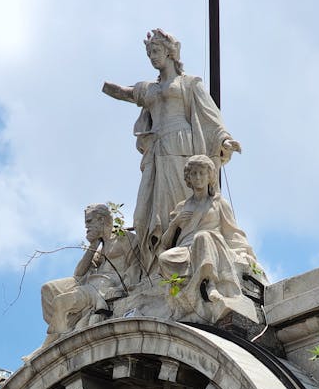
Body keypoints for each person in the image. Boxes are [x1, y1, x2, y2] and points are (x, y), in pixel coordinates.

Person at [103, 28, 241, 268]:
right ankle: (160, 261)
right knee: (149, 210)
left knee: (186, 198)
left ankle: (188, 253)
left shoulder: (189, 83)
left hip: (184, 147)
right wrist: (101, 83)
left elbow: (210, 116)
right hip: (157, 152)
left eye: (156, 51)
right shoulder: (149, 89)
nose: (153, 57)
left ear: (169, 52)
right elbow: (122, 92)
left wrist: (224, 140)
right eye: (149, 54)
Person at [158, 154, 261, 324]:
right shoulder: (182, 207)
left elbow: (232, 232)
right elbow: (165, 243)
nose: (198, 177)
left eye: (202, 173)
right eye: (194, 174)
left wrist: (245, 254)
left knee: (202, 236)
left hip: (211, 245)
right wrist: (175, 223)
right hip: (186, 250)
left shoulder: (219, 202)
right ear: (188, 178)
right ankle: (189, 295)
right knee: (164, 258)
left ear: (210, 176)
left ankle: (210, 284)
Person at [41, 204, 140, 340]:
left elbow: (135, 266)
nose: (86, 227)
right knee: (48, 289)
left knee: (61, 302)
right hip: (92, 284)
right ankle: (60, 333)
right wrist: (93, 245)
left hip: (106, 287)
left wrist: (120, 288)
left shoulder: (124, 238)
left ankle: (57, 338)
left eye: (89, 221)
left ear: (101, 219)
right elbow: (79, 273)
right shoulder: (101, 247)